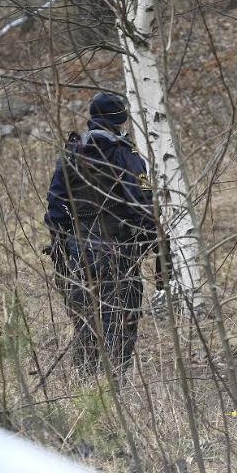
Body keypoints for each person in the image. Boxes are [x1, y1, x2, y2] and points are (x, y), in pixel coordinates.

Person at [43, 91, 164, 379]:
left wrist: (61, 249)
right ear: (120, 119)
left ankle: (86, 391)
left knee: (86, 323)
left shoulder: (72, 152)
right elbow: (143, 204)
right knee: (122, 321)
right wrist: (148, 243)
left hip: (77, 250)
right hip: (118, 251)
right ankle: (115, 389)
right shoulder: (127, 154)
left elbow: (55, 206)